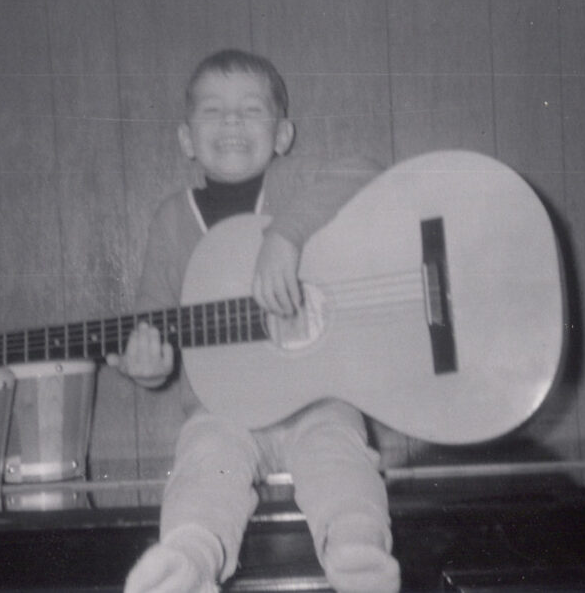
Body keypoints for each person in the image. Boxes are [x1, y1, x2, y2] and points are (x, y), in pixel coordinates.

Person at [106, 49, 400, 593]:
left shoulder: (295, 188)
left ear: (283, 135)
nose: (233, 121)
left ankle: (358, 551)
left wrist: (284, 237)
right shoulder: (173, 220)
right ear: (186, 140)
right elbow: (150, 320)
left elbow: (367, 174)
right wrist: (143, 363)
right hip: (224, 411)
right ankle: (189, 561)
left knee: (338, 453)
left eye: (251, 109)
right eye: (213, 111)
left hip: (319, 398)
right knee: (204, 460)